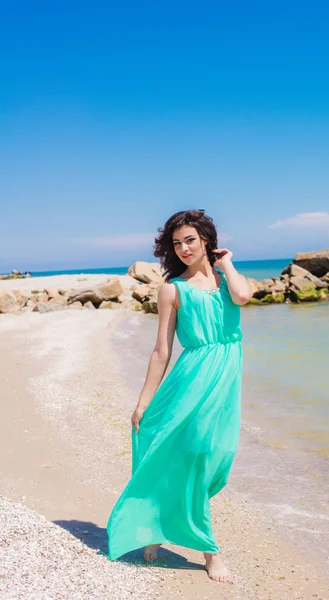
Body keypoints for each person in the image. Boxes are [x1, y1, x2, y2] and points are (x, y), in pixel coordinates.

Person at [107, 209, 253, 584]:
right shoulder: (173, 289)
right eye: (177, 243)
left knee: (216, 457)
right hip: (192, 382)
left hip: (225, 382)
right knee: (197, 461)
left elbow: (243, 296)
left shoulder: (226, 281)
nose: (184, 248)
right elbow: (161, 351)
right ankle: (211, 553)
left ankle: (157, 527)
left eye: (190, 239)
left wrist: (227, 263)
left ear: (206, 239)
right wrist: (142, 402)